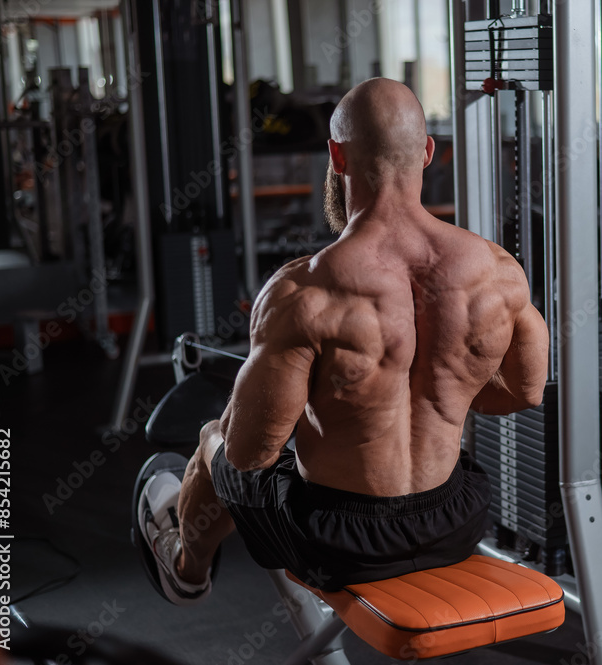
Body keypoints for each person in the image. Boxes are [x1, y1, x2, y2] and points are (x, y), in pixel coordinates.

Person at [137, 78, 549, 604]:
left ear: (336, 157)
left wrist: (336, 405)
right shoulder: (498, 272)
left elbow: (249, 454)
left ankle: (185, 570)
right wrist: (445, 390)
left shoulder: (301, 291)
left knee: (214, 439)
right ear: (427, 153)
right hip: (455, 522)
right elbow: (527, 391)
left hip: (338, 544)